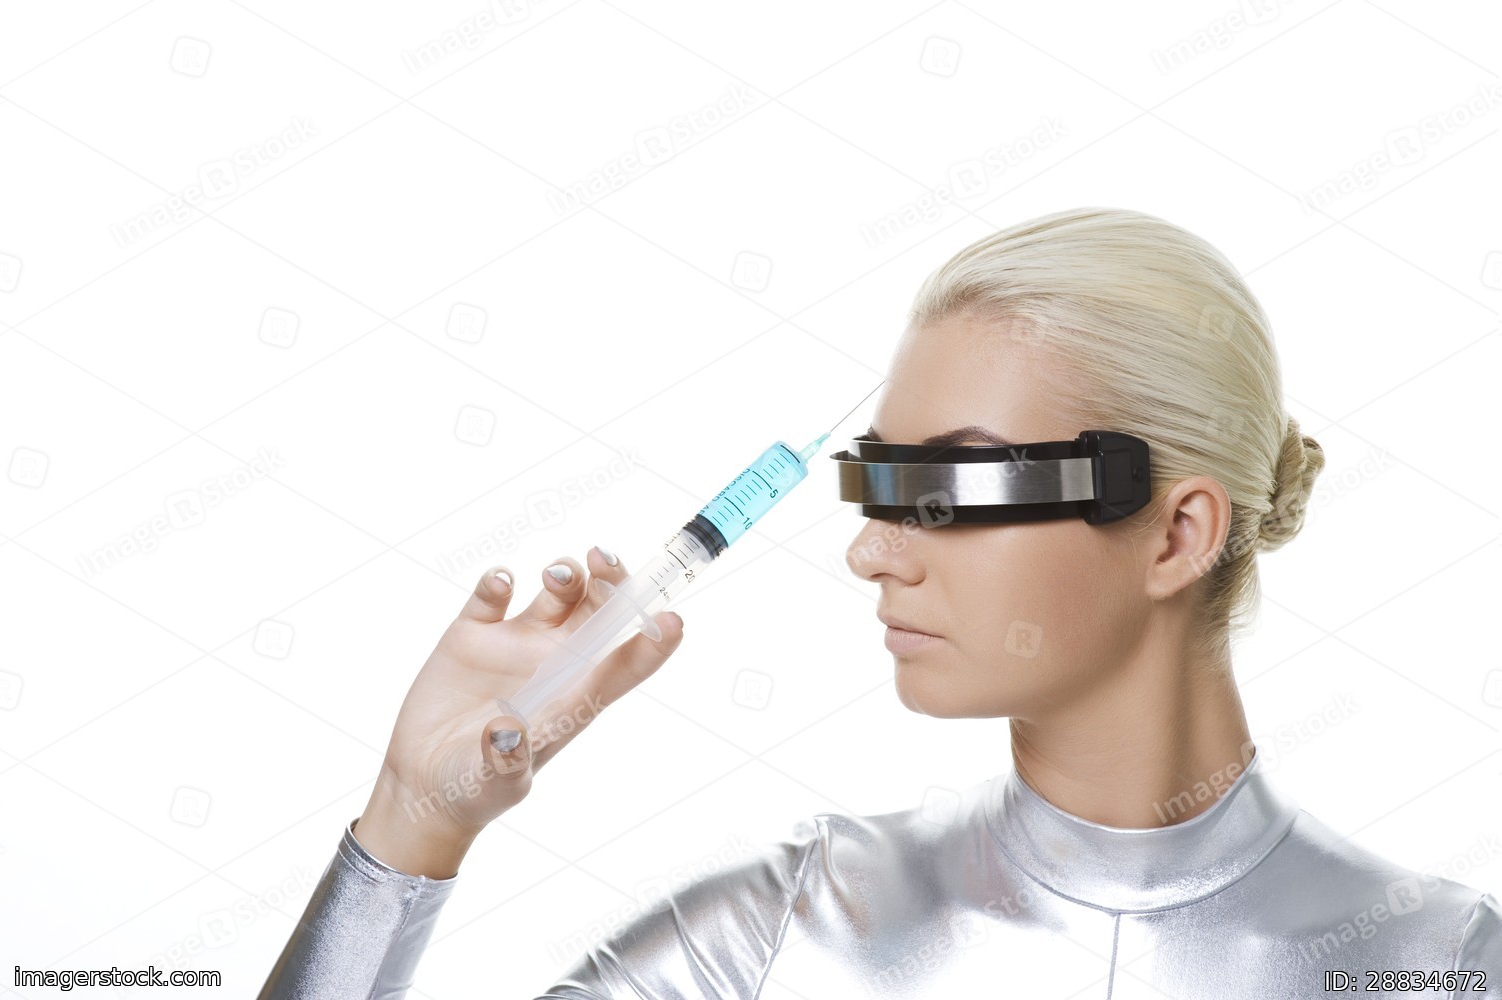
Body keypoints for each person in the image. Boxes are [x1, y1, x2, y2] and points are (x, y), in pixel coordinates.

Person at [258, 207, 1502, 998]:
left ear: (1177, 533)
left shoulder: (1439, 965)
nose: (871, 552)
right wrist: (412, 823)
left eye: (950, 490)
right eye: (877, 485)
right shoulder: (777, 934)